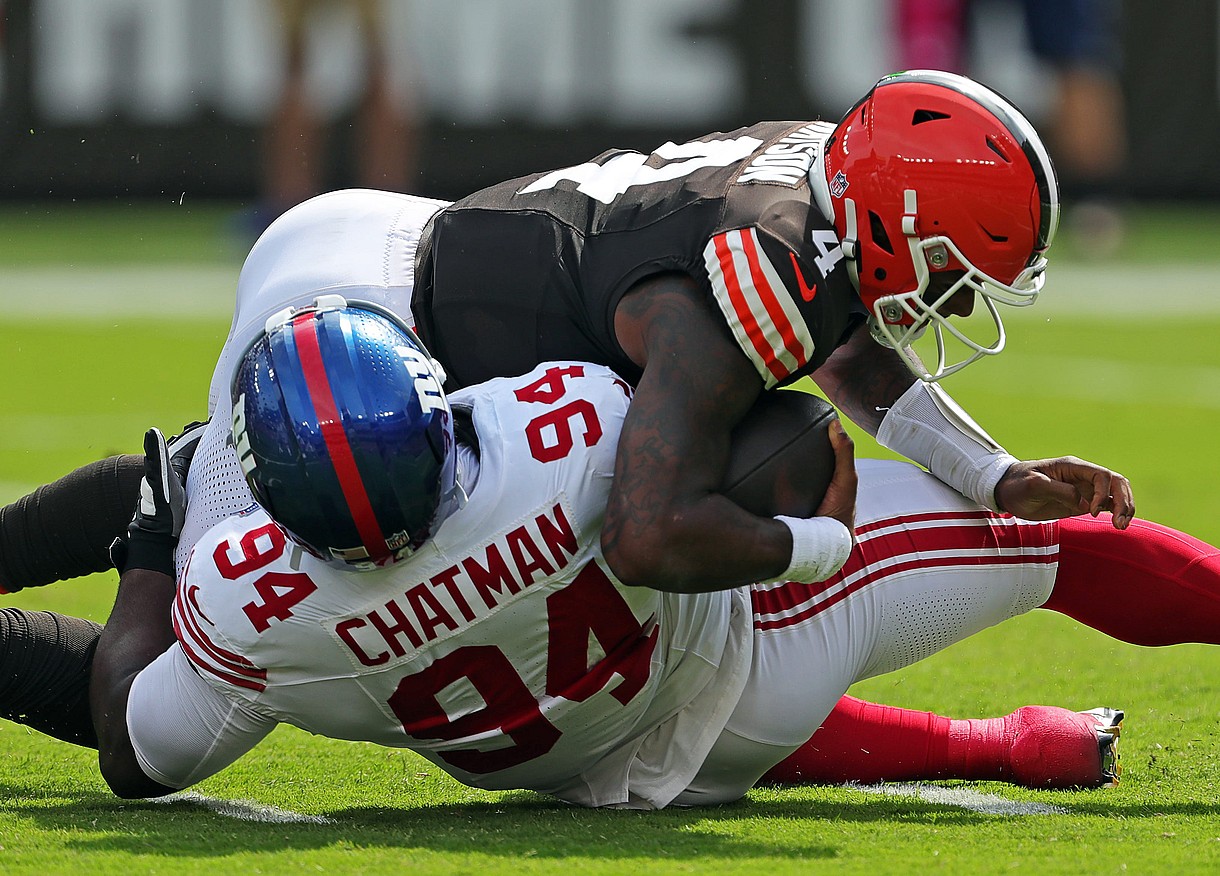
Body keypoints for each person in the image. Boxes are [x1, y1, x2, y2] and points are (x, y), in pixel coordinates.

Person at [0, 70, 1134, 602]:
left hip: (396, 255)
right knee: (222, 655)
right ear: (895, 220)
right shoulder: (763, 273)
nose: (953, 301)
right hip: (381, 314)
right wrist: (821, 550)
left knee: (199, 494)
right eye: (953, 268)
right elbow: (645, 535)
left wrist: (988, 473)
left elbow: (846, 347)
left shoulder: (818, 175)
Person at [76, 298, 1216, 804]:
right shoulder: (553, 434)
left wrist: (150, 537)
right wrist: (809, 538)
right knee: (1050, 544)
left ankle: (1003, 748)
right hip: (742, 655)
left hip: (580, 767)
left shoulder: (256, 603)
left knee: (703, 724)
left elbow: (140, 752)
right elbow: (705, 396)